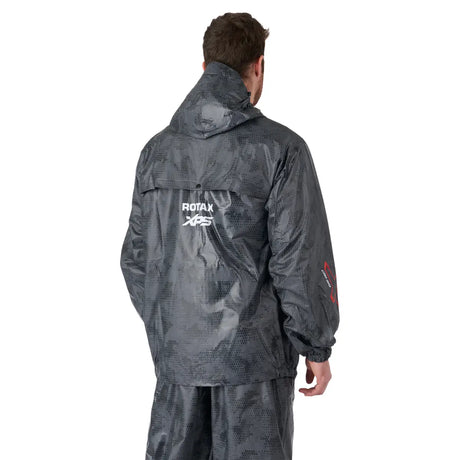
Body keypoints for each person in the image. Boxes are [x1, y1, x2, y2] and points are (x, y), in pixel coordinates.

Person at [120, 12, 340, 460]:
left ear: (205, 67)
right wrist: (315, 344)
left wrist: (177, 333)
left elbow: (137, 259)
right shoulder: (280, 150)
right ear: (258, 65)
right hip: (254, 371)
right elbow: (298, 258)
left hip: (177, 366)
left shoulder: (156, 152)